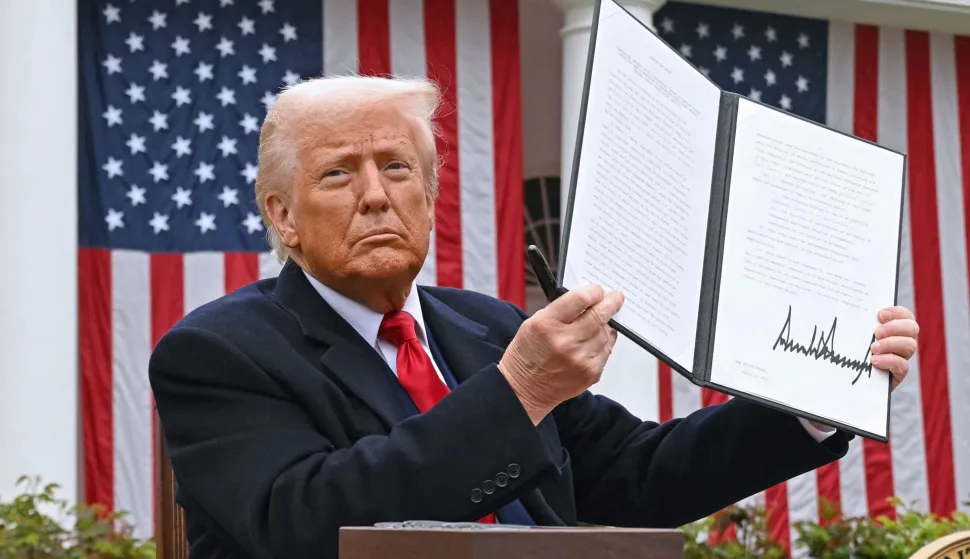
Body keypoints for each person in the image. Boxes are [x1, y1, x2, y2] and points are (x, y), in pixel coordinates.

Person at [148, 75, 919, 559]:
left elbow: (633, 476)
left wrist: (811, 398)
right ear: (282, 215)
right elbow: (308, 525)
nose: (376, 195)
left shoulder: (483, 326)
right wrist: (518, 389)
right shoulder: (217, 351)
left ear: (430, 193)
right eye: (338, 174)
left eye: (396, 167)